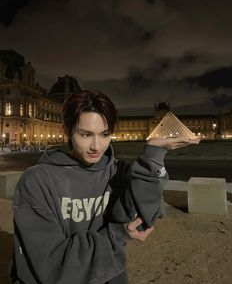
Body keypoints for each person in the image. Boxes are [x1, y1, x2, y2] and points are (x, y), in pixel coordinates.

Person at [11, 90, 199, 284]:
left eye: (105, 134)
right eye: (86, 134)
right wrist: (118, 234)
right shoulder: (36, 181)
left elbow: (144, 219)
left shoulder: (118, 172)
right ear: (66, 131)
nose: (96, 146)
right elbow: (52, 264)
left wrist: (153, 156)